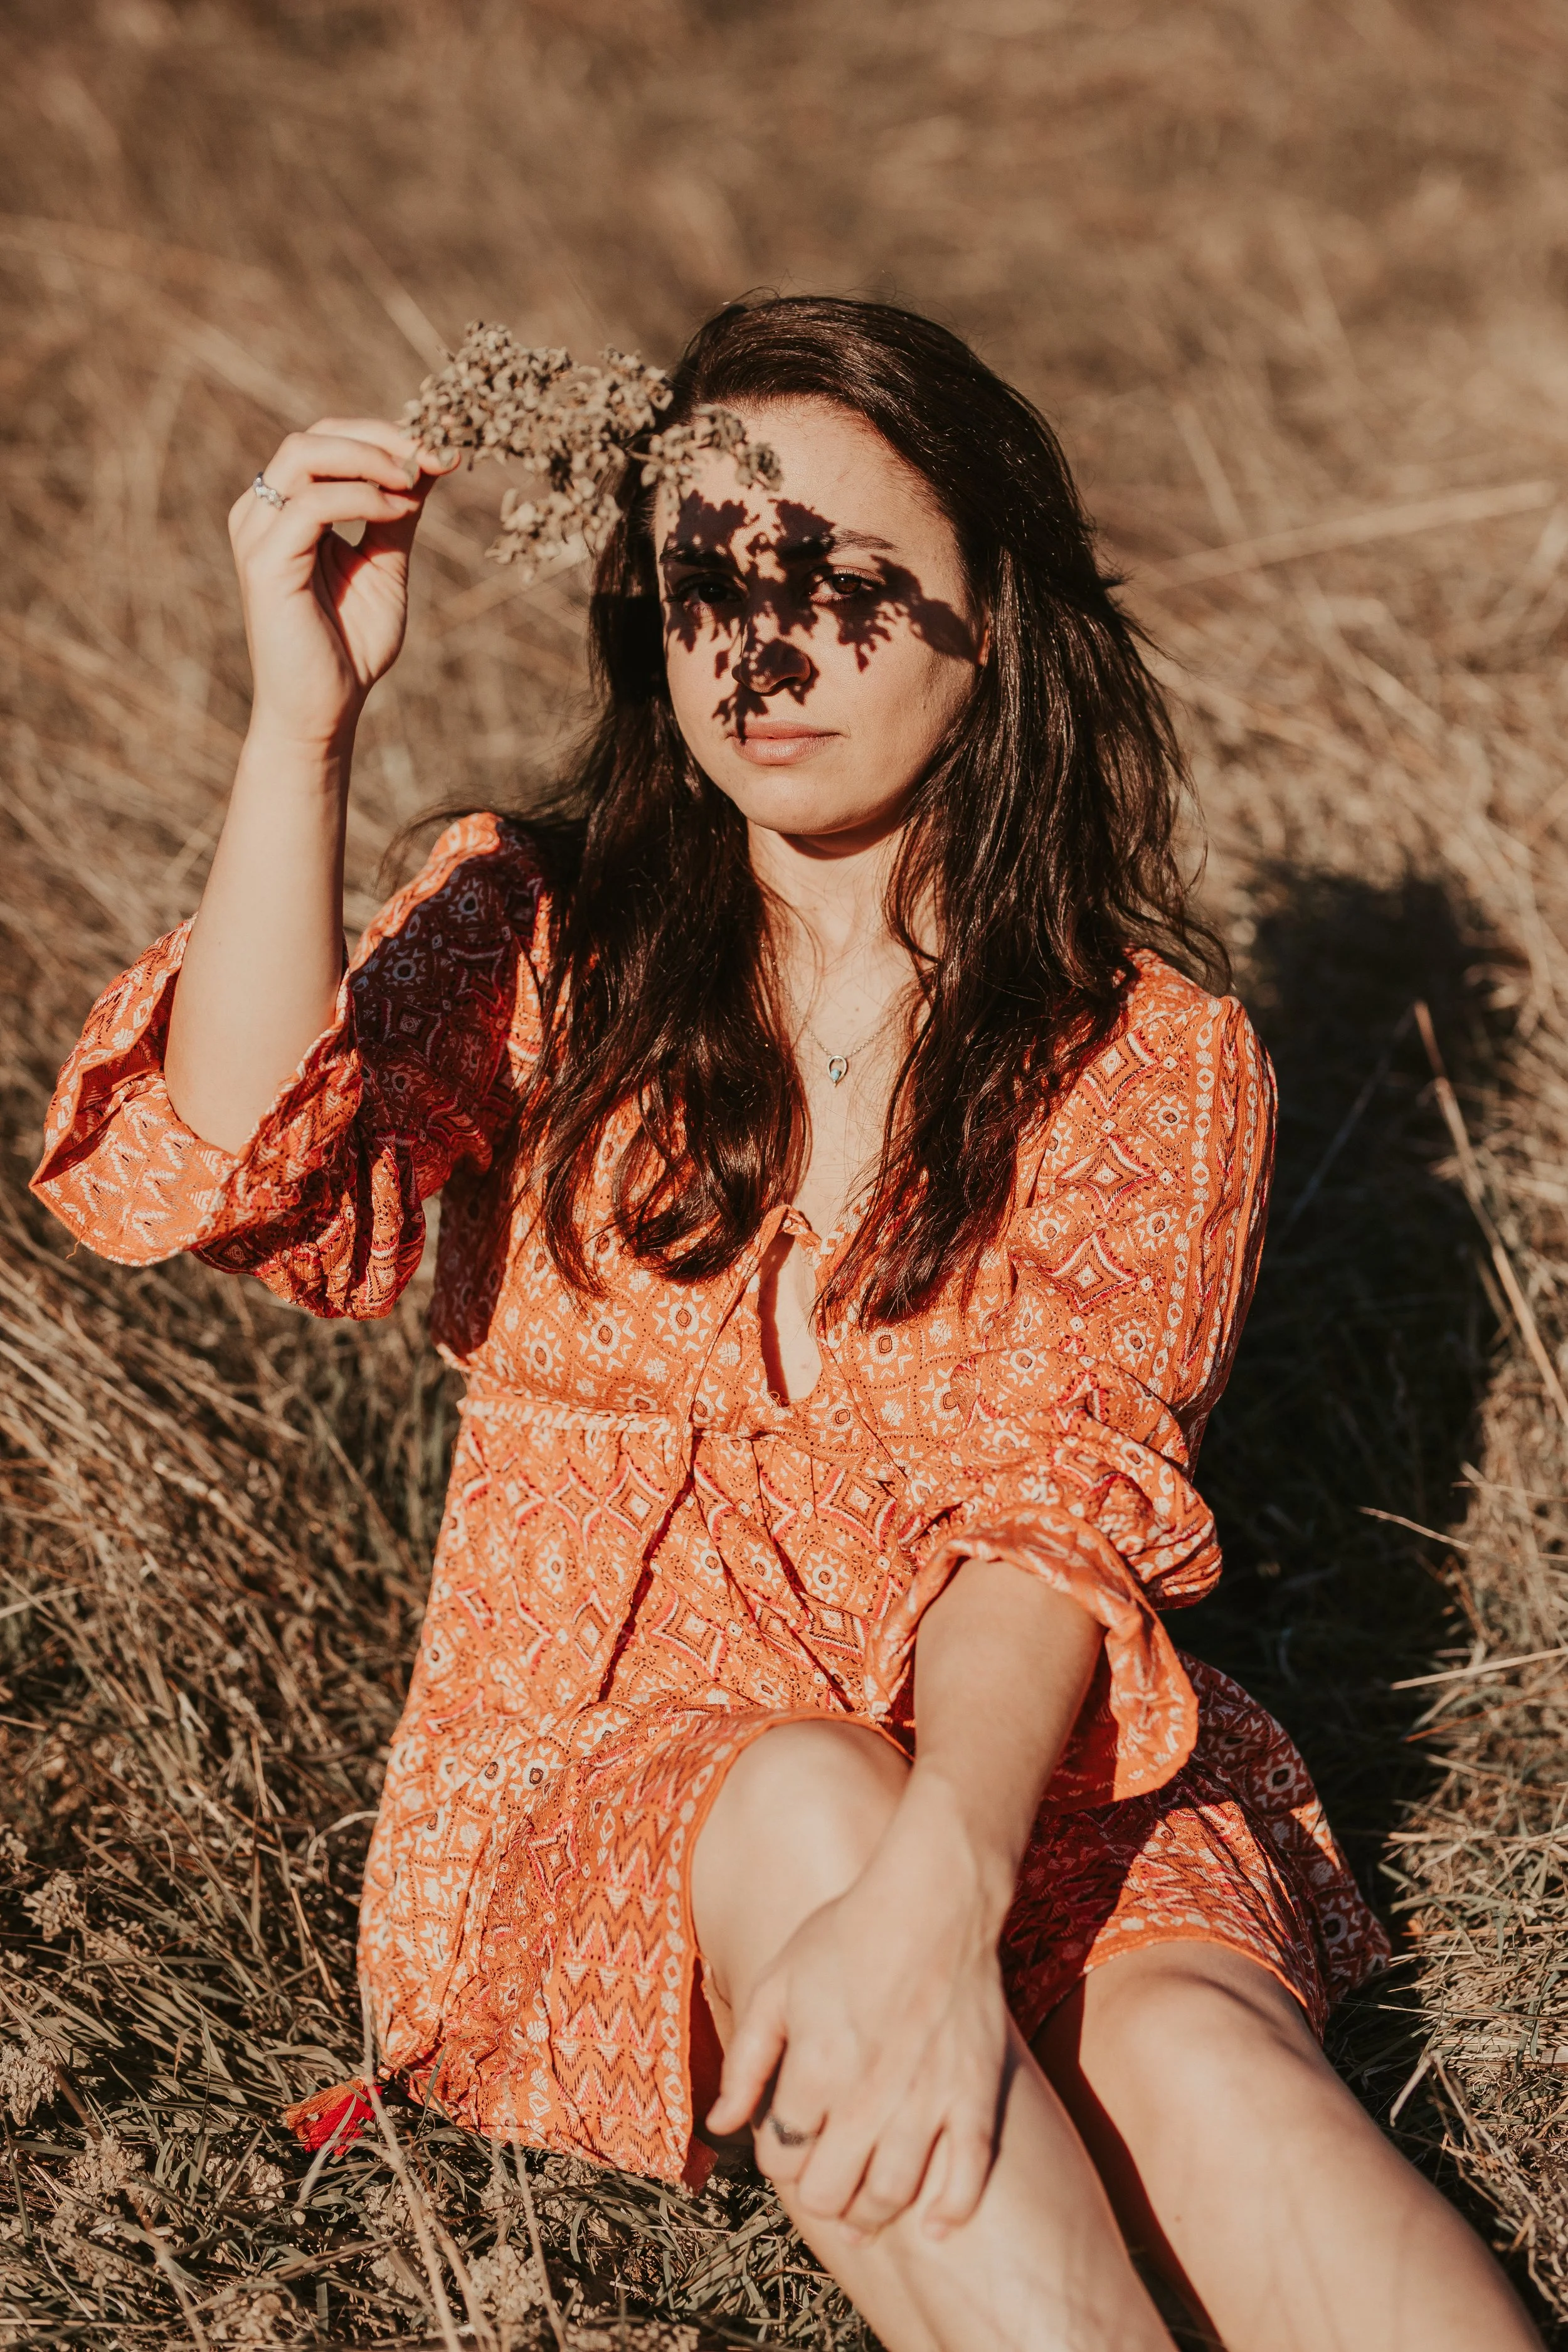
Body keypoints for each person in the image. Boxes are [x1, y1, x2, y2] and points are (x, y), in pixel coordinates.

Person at [33, 295, 1538, 2352]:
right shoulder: (547, 937)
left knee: (1206, 2069)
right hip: (617, 1800)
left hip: (1033, 1776)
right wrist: (306, 722)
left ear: (989, 614)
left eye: (838, 581)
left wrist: (947, 1895)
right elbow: (226, 1175)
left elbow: (1049, 1512)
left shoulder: (1146, 1058)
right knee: (812, 1799)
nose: (763, 646)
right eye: (705, 586)